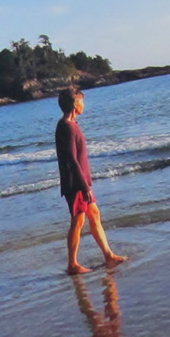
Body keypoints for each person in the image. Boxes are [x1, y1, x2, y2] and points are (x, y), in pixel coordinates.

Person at [55, 88, 126, 275]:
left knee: (94, 215)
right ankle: (72, 264)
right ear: (74, 105)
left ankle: (108, 254)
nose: (83, 105)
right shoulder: (66, 127)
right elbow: (71, 159)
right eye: (81, 101)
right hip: (75, 184)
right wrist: (83, 186)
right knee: (78, 221)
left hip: (82, 182)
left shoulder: (72, 124)